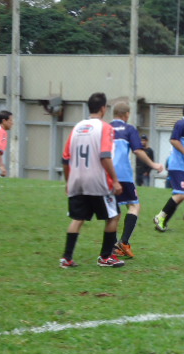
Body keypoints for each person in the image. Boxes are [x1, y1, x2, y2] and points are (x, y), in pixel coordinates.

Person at [59, 92, 125, 268]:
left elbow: (65, 159)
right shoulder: (105, 128)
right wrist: (115, 180)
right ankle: (105, 257)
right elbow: (105, 156)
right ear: (103, 109)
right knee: (114, 216)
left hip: (77, 180)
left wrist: (68, 181)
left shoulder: (77, 127)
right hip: (97, 181)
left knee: (78, 218)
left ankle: (67, 258)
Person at [110, 102, 164, 258]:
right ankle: (124, 242)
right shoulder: (129, 129)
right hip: (122, 174)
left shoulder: (105, 128)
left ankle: (112, 246)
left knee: (113, 211)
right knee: (134, 206)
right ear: (126, 114)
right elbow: (138, 151)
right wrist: (153, 164)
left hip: (106, 173)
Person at [153, 101, 184, 232]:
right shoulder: (182, 123)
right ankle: (160, 217)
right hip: (179, 166)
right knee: (181, 194)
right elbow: (174, 140)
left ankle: (162, 223)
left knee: (182, 195)